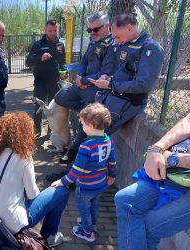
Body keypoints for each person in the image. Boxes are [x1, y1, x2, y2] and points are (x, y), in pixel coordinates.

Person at [48, 14, 164, 182]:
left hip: (126, 104)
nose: (115, 41)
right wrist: (108, 80)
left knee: (93, 139)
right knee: (87, 125)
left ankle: (76, 178)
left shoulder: (150, 48)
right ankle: (72, 167)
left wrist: (111, 84)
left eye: (117, 36)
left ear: (129, 27)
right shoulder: (128, 43)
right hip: (111, 97)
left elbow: (143, 84)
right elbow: (120, 73)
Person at [0, 112, 70, 247]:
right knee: (61, 191)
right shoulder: (23, 155)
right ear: (25, 133)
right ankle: (48, 236)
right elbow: (33, 193)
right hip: (12, 223)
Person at [46, 12, 117, 182]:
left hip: (95, 90)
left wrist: (84, 80)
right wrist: (79, 77)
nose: (92, 33)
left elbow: (106, 72)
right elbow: (83, 61)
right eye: (89, 30)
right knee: (60, 97)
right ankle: (84, 111)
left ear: (107, 26)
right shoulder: (93, 42)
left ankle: (72, 172)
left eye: (96, 29)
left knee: (85, 130)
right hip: (81, 86)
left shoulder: (112, 45)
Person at [114, 113, 190, 250]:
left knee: (151, 226)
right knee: (125, 200)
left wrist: (174, 160)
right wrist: (156, 149)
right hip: (177, 173)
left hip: (177, 166)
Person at [52, 103, 117, 242]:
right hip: (100, 184)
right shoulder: (109, 140)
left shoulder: (86, 146)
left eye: (82, 124)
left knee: (84, 209)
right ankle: (92, 225)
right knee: (95, 205)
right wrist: (112, 175)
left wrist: (62, 182)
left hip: (86, 186)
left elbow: (76, 171)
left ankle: (87, 232)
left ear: (91, 125)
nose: (82, 126)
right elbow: (112, 161)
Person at [26, 19, 67, 137]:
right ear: (45, 30)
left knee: (54, 108)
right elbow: (28, 61)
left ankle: (51, 131)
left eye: (55, 30)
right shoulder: (38, 44)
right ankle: (37, 130)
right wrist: (40, 58)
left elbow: (62, 61)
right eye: (50, 31)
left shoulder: (60, 45)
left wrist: (64, 71)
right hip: (41, 81)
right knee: (39, 106)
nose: (53, 33)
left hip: (55, 82)